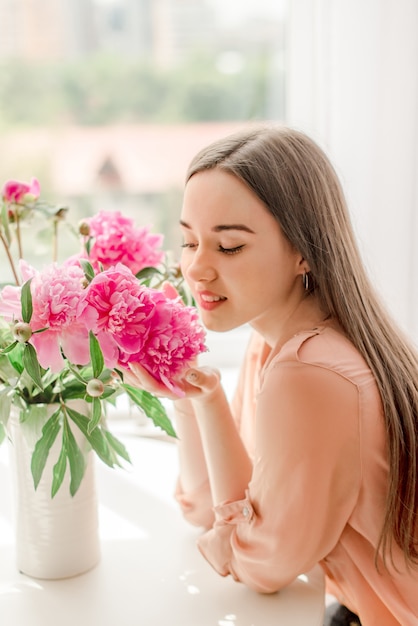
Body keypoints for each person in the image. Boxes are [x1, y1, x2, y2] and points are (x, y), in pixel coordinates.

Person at [125, 125, 418, 625]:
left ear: (304, 251)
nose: (195, 269)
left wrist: (237, 534)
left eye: (230, 247)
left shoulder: (309, 372)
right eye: (189, 241)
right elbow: (207, 507)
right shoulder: (275, 341)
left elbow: (262, 563)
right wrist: (195, 396)